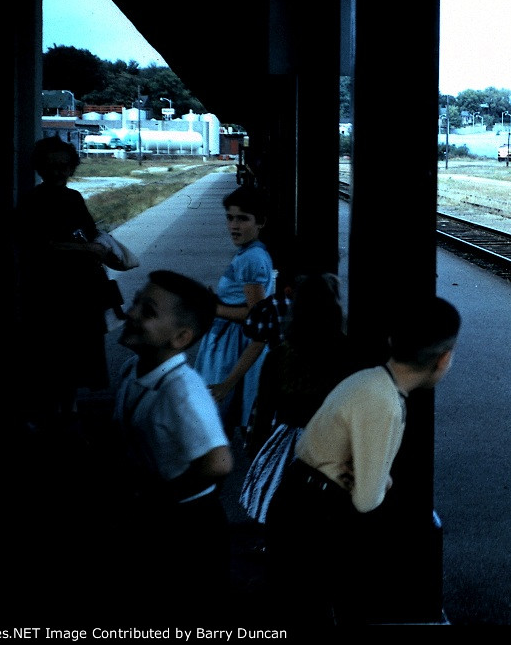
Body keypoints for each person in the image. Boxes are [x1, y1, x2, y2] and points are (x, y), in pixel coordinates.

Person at [264, 296, 461, 626]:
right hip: (314, 518)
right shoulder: (384, 403)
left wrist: (375, 477)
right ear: (443, 360)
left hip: (300, 503)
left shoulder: (371, 380)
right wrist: (380, 480)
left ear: (391, 341)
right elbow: (368, 499)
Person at [107, 269, 233, 616]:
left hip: (188, 527)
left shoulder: (183, 392)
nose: (131, 314)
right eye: (135, 303)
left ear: (180, 337)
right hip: (154, 511)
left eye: (147, 311)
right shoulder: (132, 369)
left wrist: (159, 499)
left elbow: (218, 462)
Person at [239, 273, 358, 525]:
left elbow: (264, 410)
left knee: (283, 507)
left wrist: (257, 447)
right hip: (334, 442)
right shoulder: (349, 353)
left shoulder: (279, 356)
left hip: (289, 443)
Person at [17, 135, 117, 425]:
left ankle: (69, 410)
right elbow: (37, 245)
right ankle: (54, 416)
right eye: (52, 167)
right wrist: (88, 248)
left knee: (75, 353)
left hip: (79, 290)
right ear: (40, 168)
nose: (59, 172)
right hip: (47, 290)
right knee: (52, 353)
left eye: (64, 167)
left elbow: (88, 231)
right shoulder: (32, 201)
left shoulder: (74, 198)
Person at [193, 186, 275, 437]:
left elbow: (256, 316)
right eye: (229, 217)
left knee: (214, 419)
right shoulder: (250, 253)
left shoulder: (251, 259)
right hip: (229, 340)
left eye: (243, 218)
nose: (234, 225)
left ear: (260, 222)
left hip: (232, 346)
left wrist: (213, 307)